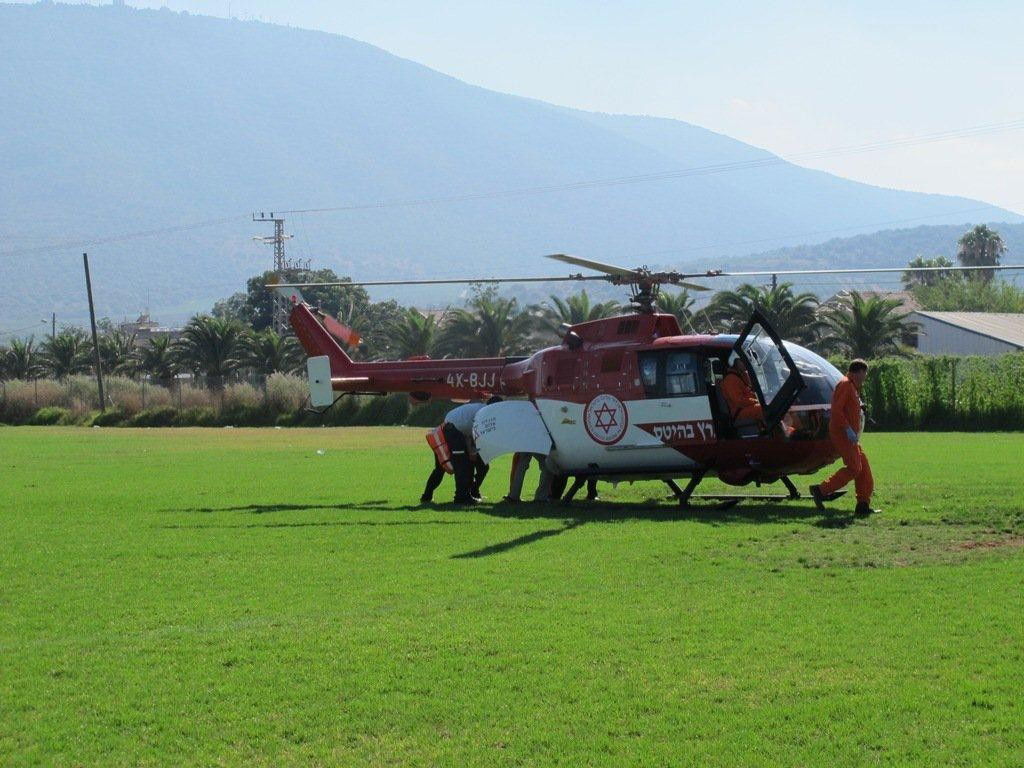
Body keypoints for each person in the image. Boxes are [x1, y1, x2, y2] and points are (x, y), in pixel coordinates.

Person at [810, 359, 878, 517]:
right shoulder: (845, 385)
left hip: (851, 436)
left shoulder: (852, 386)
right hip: (843, 434)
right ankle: (821, 490)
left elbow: (849, 408)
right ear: (858, 372)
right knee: (854, 468)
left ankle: (863, 504)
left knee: (863, 467)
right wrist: (847, 429)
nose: (865, 377)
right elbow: (836, 410)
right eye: (864, 373)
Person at [421, 397, 500, 505]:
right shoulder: (484, 414)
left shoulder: (481, 408)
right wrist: (472, 452)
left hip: (449, 429)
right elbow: (471, 435)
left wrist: (472, 451)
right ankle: (462, 497)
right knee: (464, 465)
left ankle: (427, 496)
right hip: (453, 431)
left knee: (441, 468)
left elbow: (469, 433)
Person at [720, 353, 764, 424]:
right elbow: (739, 401)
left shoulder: (743, 374)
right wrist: (756, 401)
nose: (746, 362)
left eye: (748, 360)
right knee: (764, 408)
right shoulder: (730, 379)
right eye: (742, 360)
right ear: (734, 361)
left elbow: (751, 390)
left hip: (748, 405)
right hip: (739, 410)